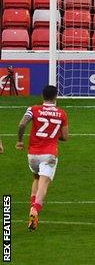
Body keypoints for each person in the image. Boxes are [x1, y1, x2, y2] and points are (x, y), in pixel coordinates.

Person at [16, 85, 69, 231]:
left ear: (42, 96)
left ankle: (32, 207)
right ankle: (35, 210)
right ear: (55, 97)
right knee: (43, 184)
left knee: (36, 178)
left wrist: (20, 141)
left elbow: (22, 124)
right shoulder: (62, 113)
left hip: (32, 154)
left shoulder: (33, 109)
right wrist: (54, 134)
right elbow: (65, 137)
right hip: (49, 154)